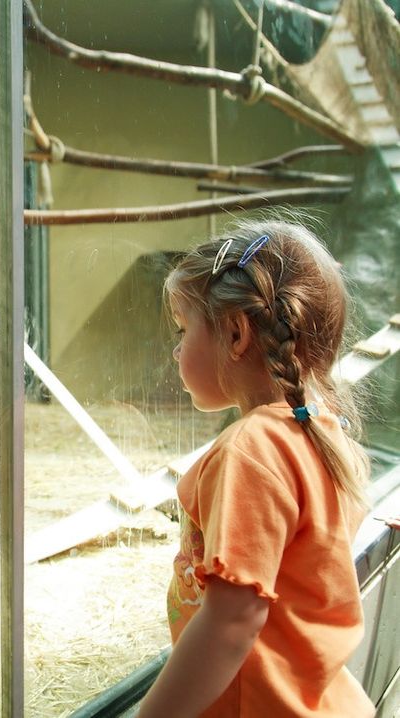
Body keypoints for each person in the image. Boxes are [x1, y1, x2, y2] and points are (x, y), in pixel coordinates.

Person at [137, 220, 375, 717]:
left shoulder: (252, 449)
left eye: (183, 330)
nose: (177, 350)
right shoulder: (323, 432)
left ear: (236, 331)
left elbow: (232, 622)